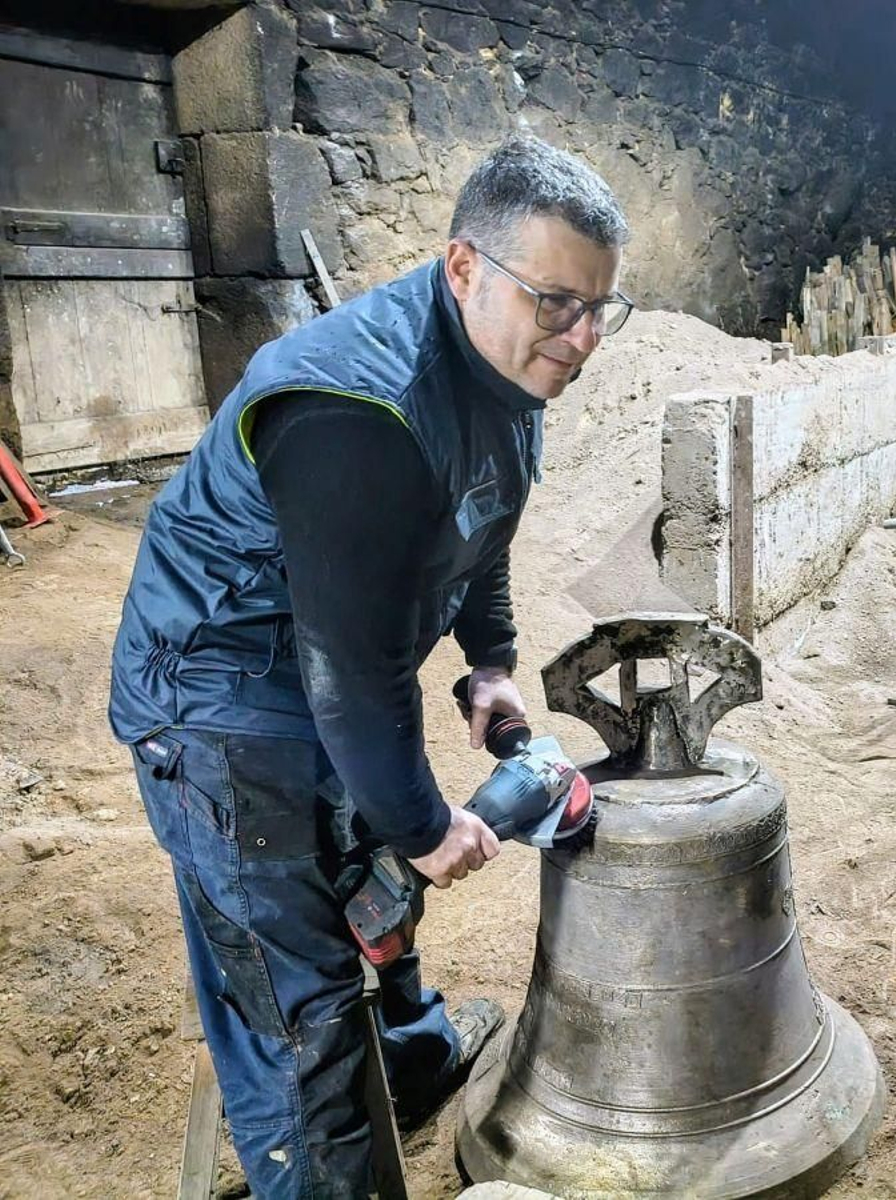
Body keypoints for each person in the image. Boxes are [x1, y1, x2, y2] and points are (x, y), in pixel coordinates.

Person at [108, 137, 632, 1197]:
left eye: (598, 309)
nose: (580, 341)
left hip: (323, 663)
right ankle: (331, 1157)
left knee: (363, 869)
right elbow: (353, 674)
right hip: (217, 692)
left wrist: (490, 663)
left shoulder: (500, 367)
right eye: (555, 304)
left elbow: (482, 522)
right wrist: (427, 826)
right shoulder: (357, 411)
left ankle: (411, 1049)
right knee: (297, 995)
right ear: (464, 267)